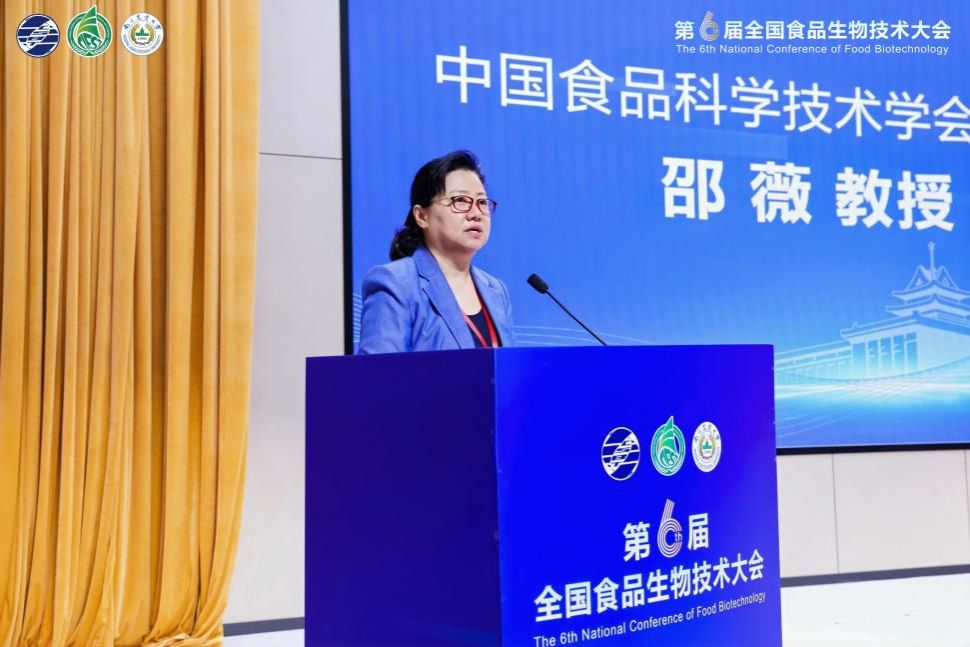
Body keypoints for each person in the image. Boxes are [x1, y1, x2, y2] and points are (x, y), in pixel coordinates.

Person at [356, 150, 515, 354]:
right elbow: (377, 371)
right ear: (422, 216)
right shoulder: (396, 283)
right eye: (460, 200)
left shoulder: (496, 291)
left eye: (482, 202)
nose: (476, 213)